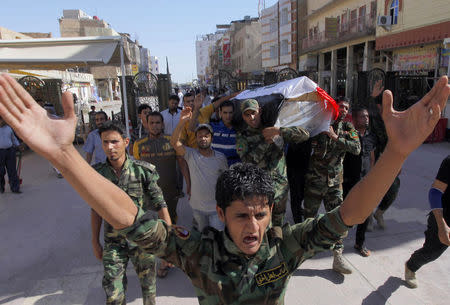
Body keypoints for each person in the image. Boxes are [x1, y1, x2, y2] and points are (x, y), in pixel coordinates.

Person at [0, 73, 448, 305]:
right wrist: (65, 156)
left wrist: (397, 154)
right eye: (241, 215)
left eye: (260, 214)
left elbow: (349, 213)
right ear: (220, 212)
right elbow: (130, 218)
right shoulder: (199, 251)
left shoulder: (285, 247)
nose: (253, 226)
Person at [91, 120, 172, 305]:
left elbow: (161, 206)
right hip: (114, 244)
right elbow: (95, 210)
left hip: (143, 242)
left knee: (149, 294)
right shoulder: (98, 175)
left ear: (126, 142)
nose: (110, 147)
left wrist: (168, 244)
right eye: (105, 142)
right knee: (113, 296)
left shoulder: (143, 171)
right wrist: (94, 241)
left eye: (114, 142)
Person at [303, 97, 361, 274]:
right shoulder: (320, 122)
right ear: (335, 107)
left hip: (334, 183)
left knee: (338, 219)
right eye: (341, 106)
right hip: (314, 180)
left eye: (346, 108)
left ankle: (337, 256)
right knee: (309, 217)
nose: (343, 110)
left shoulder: (348, 128)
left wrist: (336, 138)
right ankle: (306, 248)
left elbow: (356, 148)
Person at [236, 98, 310, 227]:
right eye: (247, 115)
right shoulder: (243, 136)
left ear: (260, 111)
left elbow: (304, 135)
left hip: (280, 185)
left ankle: (277, 245)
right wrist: (265, 140)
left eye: (253, 113)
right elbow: (248, 161)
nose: (251, 117)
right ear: (243, 116)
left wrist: (279, 131)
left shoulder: (274, 126)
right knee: (263, 224)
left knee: (278, 223)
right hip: (260, 189)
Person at [171, 110, 228, 231]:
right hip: (197, 209)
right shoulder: (191, 155)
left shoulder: (220, 158)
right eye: (200, 136)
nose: (203, 138)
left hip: (216, 209)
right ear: (196, 138)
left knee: (217, 240)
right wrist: (182, 122)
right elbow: (174, 143)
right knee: (202, 240)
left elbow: (225, 181)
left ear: (211, 138)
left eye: (206, 136)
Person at [405, 155, 450, 288]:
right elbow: (435, 192)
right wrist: (442, 226)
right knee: (432, 252)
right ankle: (411, 266)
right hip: (444, 216)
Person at [343, 107, 377, 257]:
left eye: (367, 116)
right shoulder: (349, 135)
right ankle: (337, 244)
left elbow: (372, 157)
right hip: (349, 180)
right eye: (363, 117)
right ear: (355, 120)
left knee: (366, 213)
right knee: (344, 214)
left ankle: (359, 243)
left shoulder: (371, 137)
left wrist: (373, 175)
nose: (366, 119)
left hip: (366, 181)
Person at [369, 80, 401, 229]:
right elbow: (367, 113)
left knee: (393, 189)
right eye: (383, 105)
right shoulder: (374, 120)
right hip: (373, 161)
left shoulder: (396, 121)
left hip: (391, 163)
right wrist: (373, 97)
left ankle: (379, 212)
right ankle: (367, 216)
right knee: (371, 191)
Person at [210, 100, 241, 166]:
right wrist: (197, 108)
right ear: (220, 113)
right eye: (225, 113)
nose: (228, 116)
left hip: (235, 168)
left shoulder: (239, 129)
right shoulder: (213, 128)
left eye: (230, 112)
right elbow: (192, 129)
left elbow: (241, 149)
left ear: (234, 113)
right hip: (217, 167)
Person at [0, 116, 22, 193]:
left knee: (12, 170)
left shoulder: (8, 128)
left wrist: (18, 146)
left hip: (10, 151)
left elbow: (13, 139)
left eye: (3, 119)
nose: (2, 121)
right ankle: (1, 187)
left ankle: (15, 188)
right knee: (1, 171)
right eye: (1, 120)